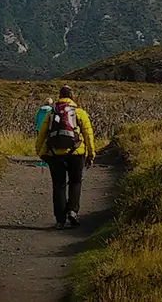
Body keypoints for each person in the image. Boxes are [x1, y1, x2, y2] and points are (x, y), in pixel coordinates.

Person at [34, 85, 96, 228]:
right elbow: (88, 134)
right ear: (73, 97)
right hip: (77, 153)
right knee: (75, 182)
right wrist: (91, 154)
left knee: (58, 185)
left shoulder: (51, 113)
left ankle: (60, 220)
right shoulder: (79, 112)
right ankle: (73, 212)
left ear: (60, 97)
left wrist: (40, 152)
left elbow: (42, 134)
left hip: (54, 154)